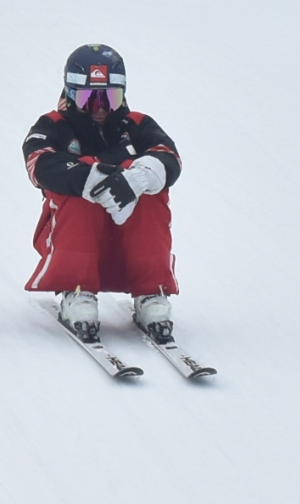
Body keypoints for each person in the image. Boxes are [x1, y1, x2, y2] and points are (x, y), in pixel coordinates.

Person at [21, 44, 183, 343]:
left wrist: (139, 178)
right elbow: (38, 163)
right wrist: (89, 177)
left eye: (110, 98)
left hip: (128, 241)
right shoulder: (52, 126)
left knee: (152, 191)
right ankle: (77, 291)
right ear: (71, 94)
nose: (100, 108)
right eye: (89, 98)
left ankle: (151, 292)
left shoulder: (137, 124)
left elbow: (168, 157)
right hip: (73, 238)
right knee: (77, 190)